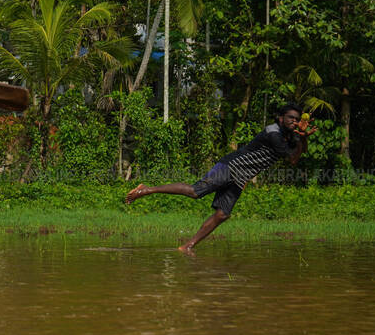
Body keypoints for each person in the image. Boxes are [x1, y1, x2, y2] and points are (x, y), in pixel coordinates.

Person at [125, 103, 317, 254]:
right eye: (291, 118)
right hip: (231, 167)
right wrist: (301, 138)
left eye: (297, 119)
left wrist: (303, 137)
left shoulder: (289, 135)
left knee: (222, 214)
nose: (295, 121)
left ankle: (188, 246)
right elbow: (292, 157)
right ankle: (147, 189)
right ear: (281, 118)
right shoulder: (274, 133)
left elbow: (296, 157)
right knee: (195, 191)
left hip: (241, 176)